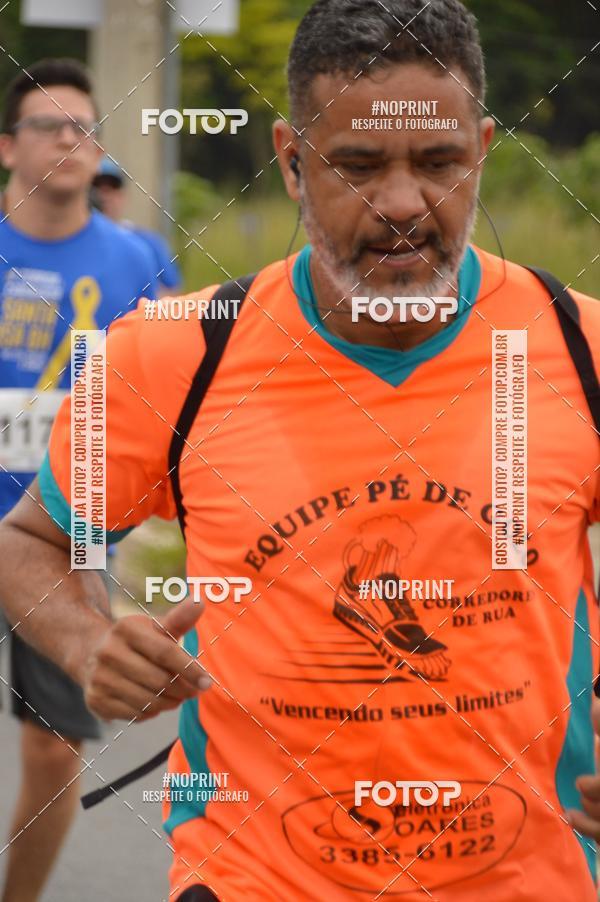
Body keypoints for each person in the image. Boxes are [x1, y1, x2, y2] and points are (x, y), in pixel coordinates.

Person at [0, 2, 599, 900]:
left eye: (438, 163)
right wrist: (88, 645)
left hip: (531, 873)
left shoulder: (581, 351)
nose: (402, 204)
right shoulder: (178, 352)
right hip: (255, 876)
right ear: (289, 161)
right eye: (356, 166)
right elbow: (33, 539)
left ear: (479, 150)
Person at [0, 58, 158, 902]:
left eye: (85, 127)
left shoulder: (142, 259)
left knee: (52, 747)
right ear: (6, 147)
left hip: (67, 538)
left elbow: (181, 400)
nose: (70, 139)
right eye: (50, 125)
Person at [92, 156, 182, 297]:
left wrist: (136, 285)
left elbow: (175, 297)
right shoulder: (74, 241)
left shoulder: (148, 243)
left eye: (112, 188)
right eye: (97, 187)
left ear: (123, 195)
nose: (105, 196)